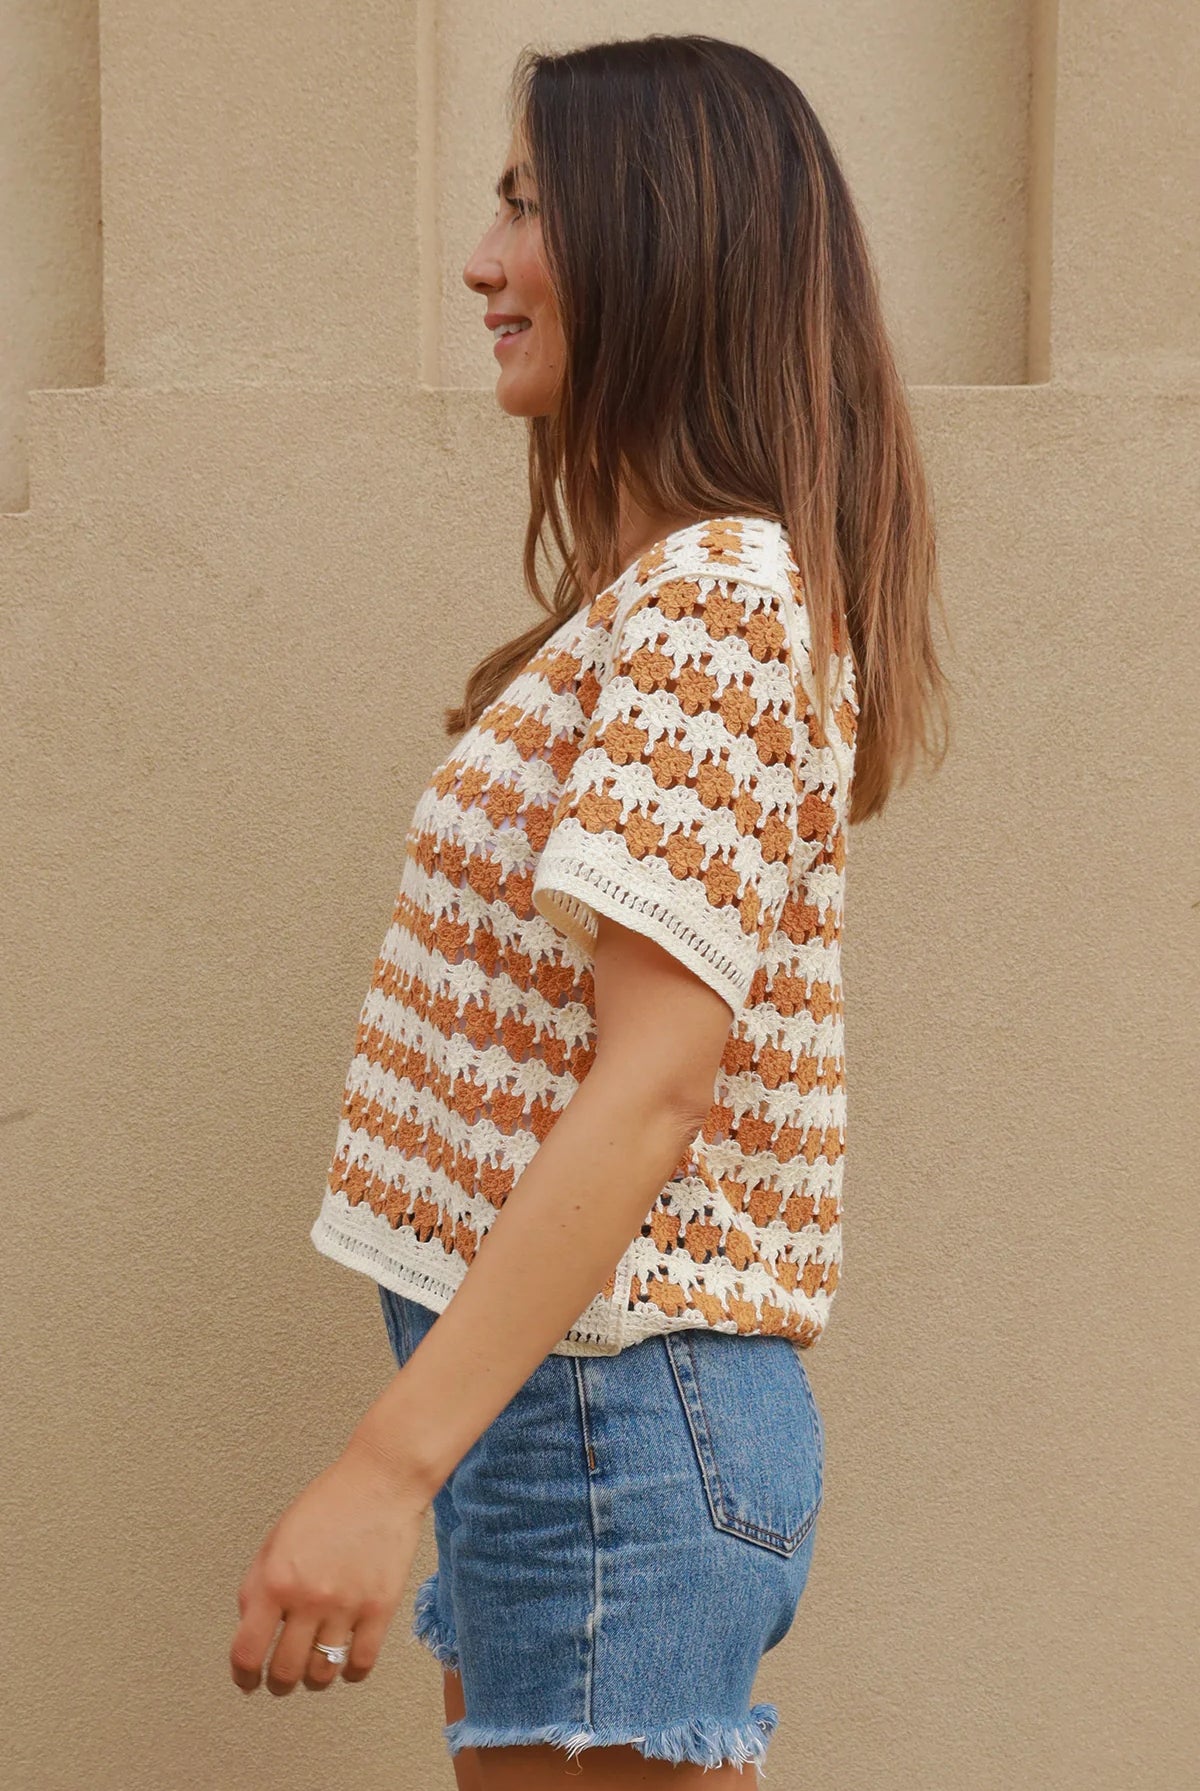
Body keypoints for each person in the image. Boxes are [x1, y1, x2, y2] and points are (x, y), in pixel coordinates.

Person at [229, 31, 950, 1788]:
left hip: (611, 1411)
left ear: (661, 240)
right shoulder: (673, 595)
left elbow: (655, 1085)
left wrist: (387, 1470)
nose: (482, 260)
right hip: (577, 1411)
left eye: (530, 206)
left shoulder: (714, 594)